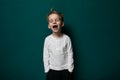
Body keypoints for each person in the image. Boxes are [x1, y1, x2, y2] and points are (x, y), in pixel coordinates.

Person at [43, 8, 74, 80]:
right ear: (49, 26)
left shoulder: (67, 39)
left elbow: (70, 54)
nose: (54, 22)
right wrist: (47, 69)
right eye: (51, 21)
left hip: (65, 70)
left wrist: (70, 69)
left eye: (57, 20)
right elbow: (45, 55)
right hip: (52, 71)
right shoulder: (47, 39)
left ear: (62, 24)